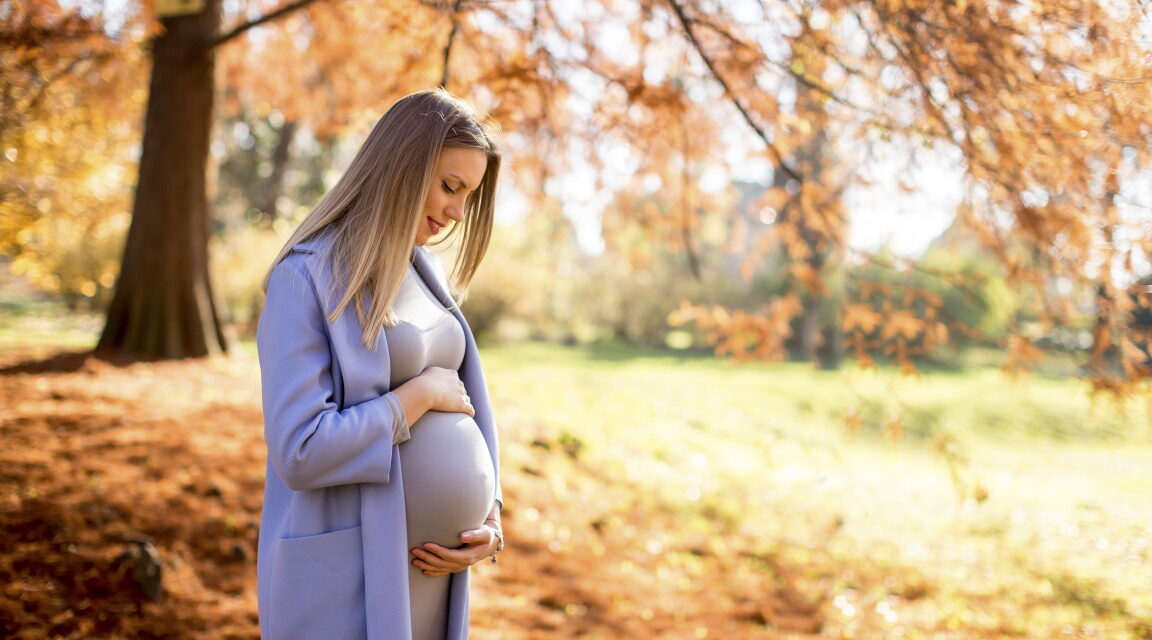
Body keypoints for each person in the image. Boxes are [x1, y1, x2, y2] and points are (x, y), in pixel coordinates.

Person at [255, 89, 505, 640]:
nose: (457, 212)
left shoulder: (426, 271)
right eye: (449, 186)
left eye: (468, 195)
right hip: (350, 575)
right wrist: (414, 400)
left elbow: (469, 401)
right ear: (401, 166)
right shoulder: (305, 279)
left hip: (434, 574)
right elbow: (299, 451)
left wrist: (491, 519)